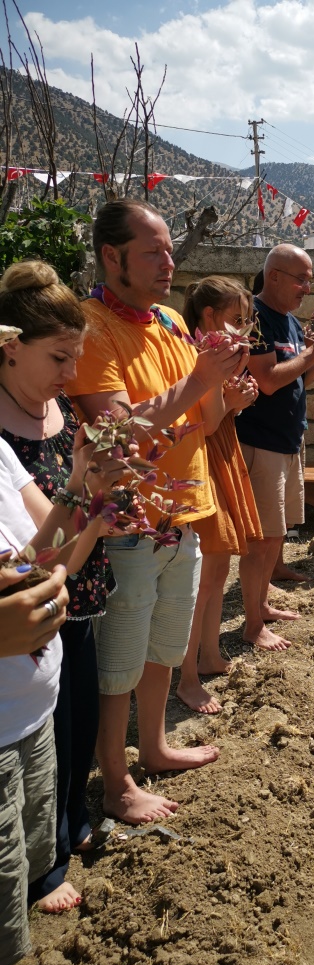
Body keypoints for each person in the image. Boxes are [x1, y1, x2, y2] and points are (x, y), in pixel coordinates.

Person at [67, 197, 245, 825]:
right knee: (120, 657)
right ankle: (115, 782)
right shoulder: (91, 327)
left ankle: (154, 746)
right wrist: (199, 381)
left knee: (164, 645)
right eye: (153, 252)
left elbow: (207, 420)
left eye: (170, 250)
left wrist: (223, 379)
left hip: (182, 513)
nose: (169, 263)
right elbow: (117, 433)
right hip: (127, 522)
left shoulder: (169, 322)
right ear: (111, 256)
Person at [0, 261, 121, 914]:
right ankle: (43, 869)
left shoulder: (49, 417)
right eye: (59, 357)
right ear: (10, 347)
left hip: (69, 599)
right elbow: (35, 559)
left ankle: (63, 834)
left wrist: (95, 504)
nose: (72, 374)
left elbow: (49, 546)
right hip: (27, 635)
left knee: (69, 732)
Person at [0, 425, 127, 965]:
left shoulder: (2, 456)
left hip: (31, 705)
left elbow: (48, 558)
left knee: (25, 841)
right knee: (4, 855)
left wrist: (80, 487)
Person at [235, 244, 314, 649]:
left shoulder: (290, 323)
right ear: (274, 276)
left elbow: (300, 378)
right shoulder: (255, 317)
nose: (307, 288)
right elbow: (267, 380)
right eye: (301, 279)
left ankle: (261, 606)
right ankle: (252, 626)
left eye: (310, 280)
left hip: (286, 441)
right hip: (260, 441)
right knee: (261, 540)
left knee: (275, 534)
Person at [178, 276, 261, 713]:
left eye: (246, 321)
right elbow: (206, 423)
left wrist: (234, 402)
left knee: (218, 570)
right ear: (208, 316)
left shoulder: (212, 355)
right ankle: (186, 677)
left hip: (219, 455)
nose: (244, 329)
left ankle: (208, 656)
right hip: (204, 462)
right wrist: (230, 403)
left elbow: (216, 414)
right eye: (237, 319)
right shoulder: (199, 356)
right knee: (206, 577)